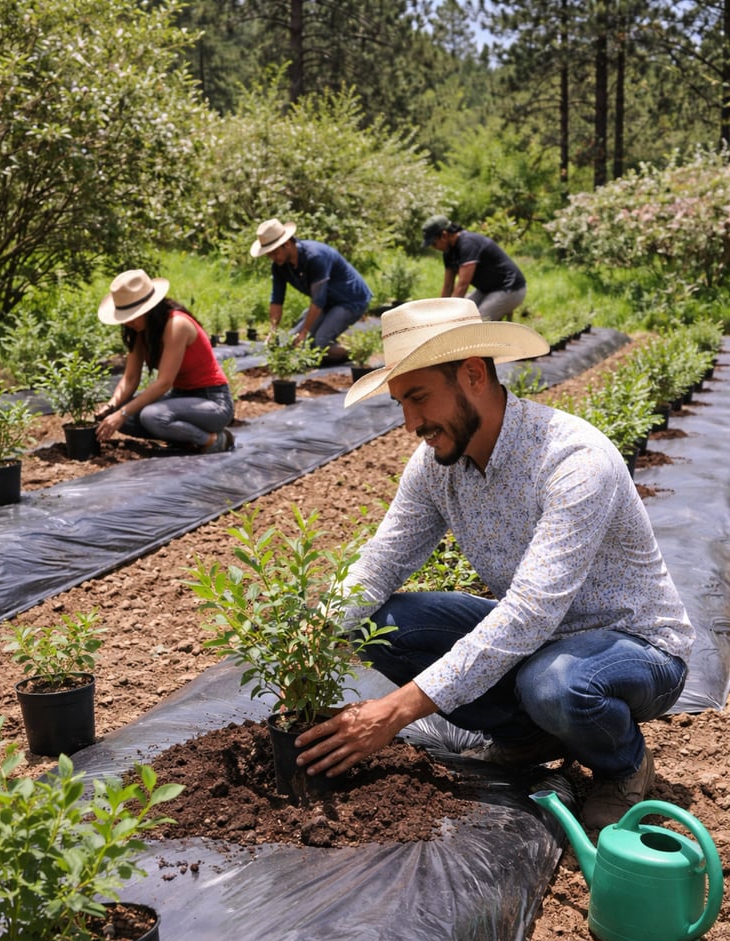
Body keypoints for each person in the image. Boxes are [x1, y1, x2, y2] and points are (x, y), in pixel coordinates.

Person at [294, 297, 694, 830]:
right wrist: (310, 645)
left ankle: (623, 765)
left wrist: (394, 710)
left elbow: (530, 612)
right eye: (400, 404)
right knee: (383, 626)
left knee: (556, 685)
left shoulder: (572, 459)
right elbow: (380, 563)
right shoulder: (437, 466)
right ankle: (528, 740)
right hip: (539, 647)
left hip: (635, 647)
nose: (411, 422)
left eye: (419, 397)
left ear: (474, 374)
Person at [96, 269, 235, 453]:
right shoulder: (140, 332)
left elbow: (164, 383)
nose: (128, 322)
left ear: (149, 308)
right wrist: (111, 407)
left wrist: (121, 413)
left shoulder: (177, 325)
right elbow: (130, 378)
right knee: (124, 418)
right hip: (180, 397)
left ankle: (213, 440)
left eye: (132, 315)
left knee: (151, 416)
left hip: (212, 401)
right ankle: (183, 438)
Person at [250, 218, 372, 364]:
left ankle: (359, 351)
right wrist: (273, 330)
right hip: (328, 301)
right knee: (291, 340)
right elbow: (277, 299)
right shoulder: (279, 266)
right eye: (269, 254)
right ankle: (334, 349)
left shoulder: (315, 257)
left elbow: (318, 300)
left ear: (287, 244)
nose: (273, 258)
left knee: (318, 344)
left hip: (351, 299)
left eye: (275, 253)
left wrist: (304, 333)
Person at [422, 215, 527, 321]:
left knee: (475, 324)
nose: (434, 248)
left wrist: (449, 317)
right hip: (486, 290)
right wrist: (440, 314)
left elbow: (462, 285)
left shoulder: (468, 244)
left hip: (511, 288)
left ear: (444, 235)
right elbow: (448, 286)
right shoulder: (448, 252)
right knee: (464, 314)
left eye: (434, 243)